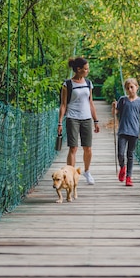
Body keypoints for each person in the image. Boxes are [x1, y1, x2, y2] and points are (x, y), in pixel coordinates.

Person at [58, 57, 100, 185]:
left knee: (88, 148)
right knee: (73, 148)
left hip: (86, 118)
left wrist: (96, 120)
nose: (88, 71)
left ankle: (87, 172)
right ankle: (70, 175)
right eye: (85, 69)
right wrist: (60, 122)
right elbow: (63, 105)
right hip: (72, 118)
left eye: (88, 68)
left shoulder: (88, 83)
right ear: (78, 69)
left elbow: (91, 102)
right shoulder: (67, 84)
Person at [112, 77, 140, 187]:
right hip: (123, 130)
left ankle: (128, 177)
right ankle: (122, 167)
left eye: (132, 87)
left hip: (134, 131)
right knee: (120, 154)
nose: (130, 89)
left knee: (130, 155)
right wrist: (114, 107)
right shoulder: (123, 99)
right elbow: (115, 112)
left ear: (137, 87)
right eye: (128, 88)